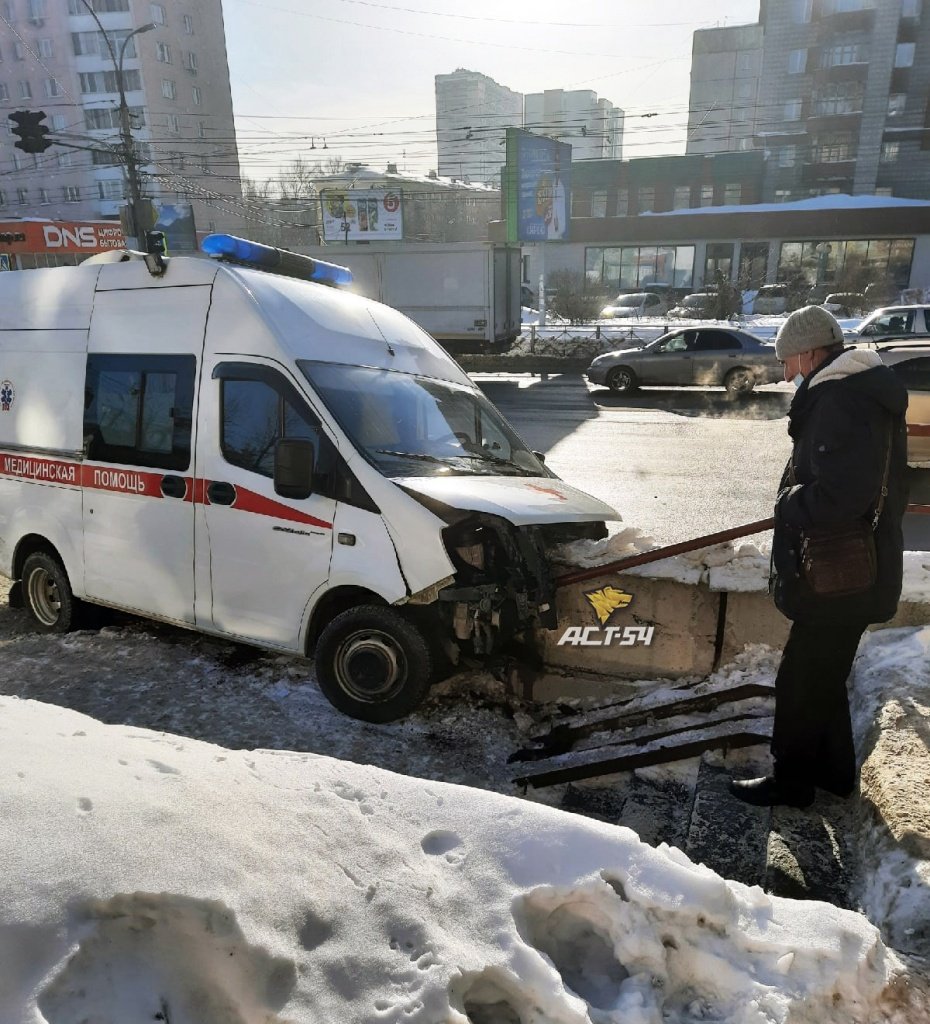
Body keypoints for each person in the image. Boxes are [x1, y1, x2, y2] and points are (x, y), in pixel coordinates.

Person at [729, 304, 909, 808]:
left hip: (839, 576)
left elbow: (841, 494)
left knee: (802, 680)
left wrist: (789, 503)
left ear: (809, 353)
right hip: (857, 570)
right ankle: (832, 774)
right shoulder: (862, 392)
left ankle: (792, 783)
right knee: (824, 675)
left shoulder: (840, 400)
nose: (786, 373)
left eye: (788, 361)